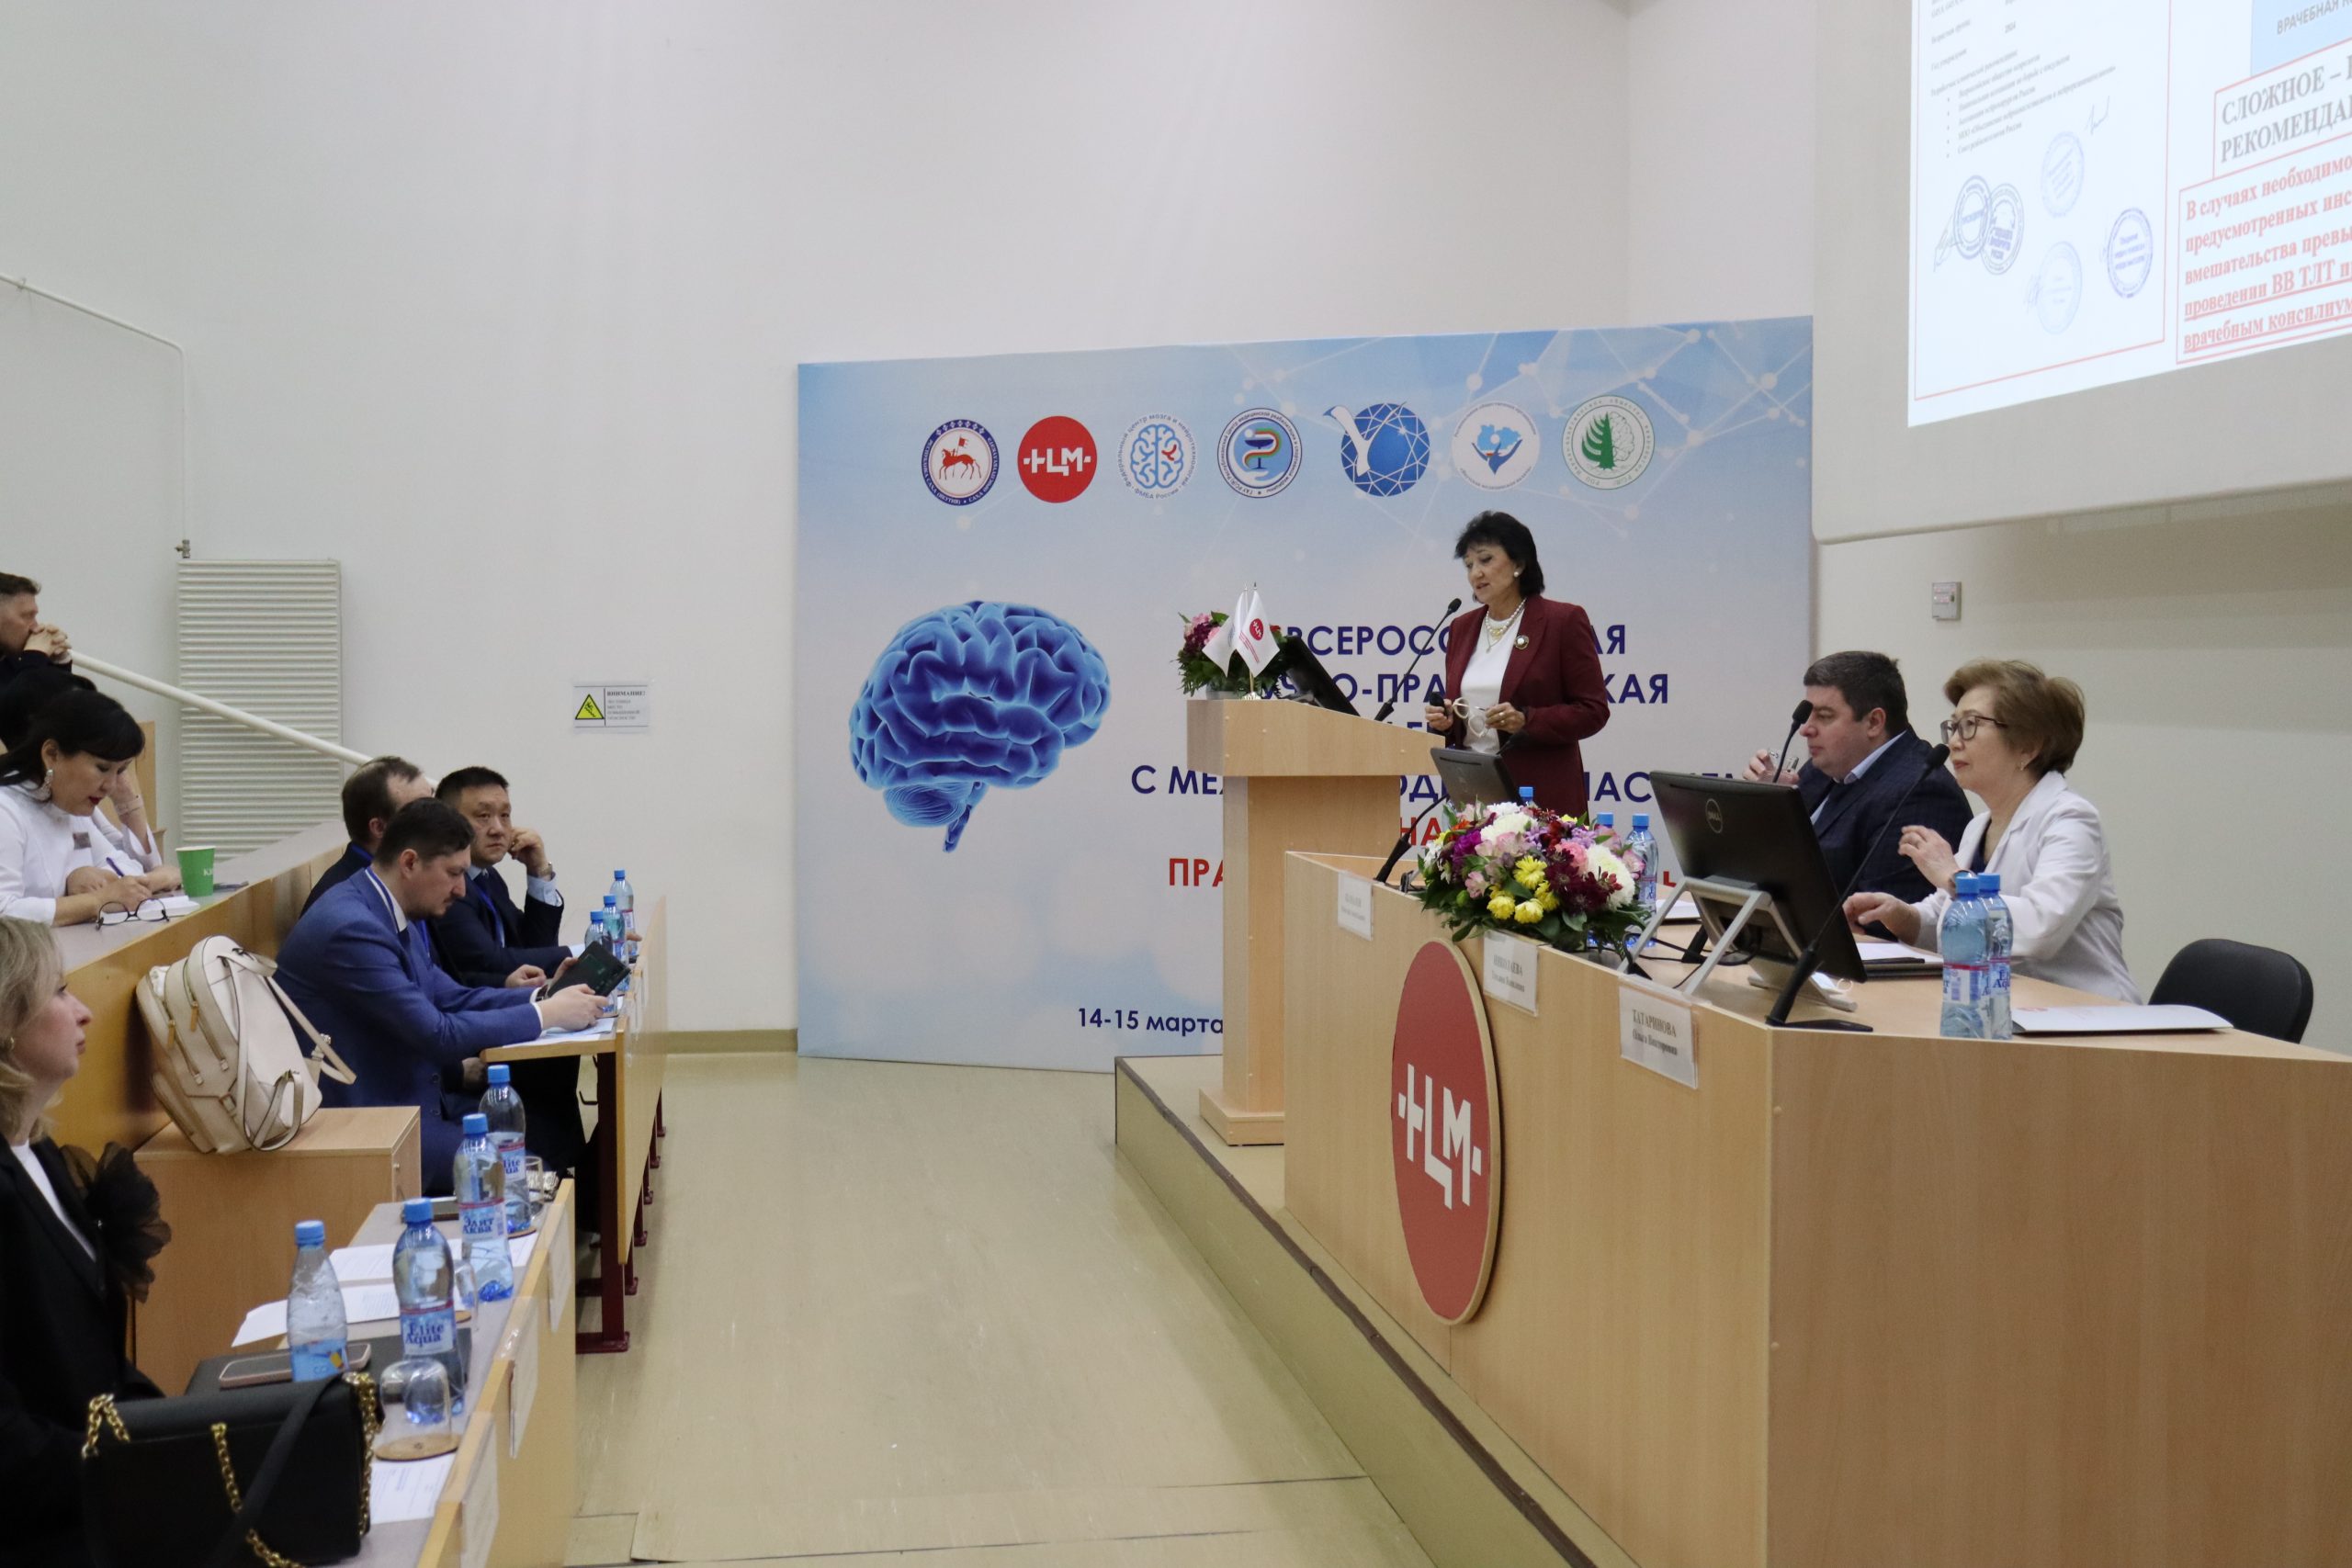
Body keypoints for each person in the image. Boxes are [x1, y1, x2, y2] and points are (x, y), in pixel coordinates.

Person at [275, 800, 605, 1190]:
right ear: (410, 863)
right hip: (371, 1125)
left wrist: (545, 996)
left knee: (546, 1136)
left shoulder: (390, 907)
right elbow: (438, 1034)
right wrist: (548, 1015)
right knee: (528, 1173)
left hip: (413, 1101)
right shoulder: (351, 927)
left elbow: (452, 996)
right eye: (454, 873)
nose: (461, 889)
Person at [0, 917, 169, 1567]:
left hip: (96, 1493)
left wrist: (186, 1428)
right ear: (6, 1020)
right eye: (60, 991)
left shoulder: (40, 1152)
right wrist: (137, 1466)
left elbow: (96, 1361)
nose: (84, 1011)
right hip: (47, 1528)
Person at [1845, 660, 2140, 1002]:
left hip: (2089, 1012)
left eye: (1970, 725)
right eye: (1953, 727)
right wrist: (1902, 916)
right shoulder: (1980, 826)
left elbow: (2041, 929)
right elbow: (1948, 919)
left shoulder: (2071, 819)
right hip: (2006, 1006)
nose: (1954, 743)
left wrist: (1954, 877)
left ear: (2029, 745)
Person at [425, 765, 593, 1202]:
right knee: (552, 1052)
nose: (498, 828)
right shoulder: (452, 887)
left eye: (505, 815)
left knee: (564, 1042)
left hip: (481, 1008)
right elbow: (491, 961)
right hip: (465, 1036)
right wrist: (581, 952)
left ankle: (574, 1187)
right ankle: (568, 1189)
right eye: (482, 816)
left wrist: (538, 871)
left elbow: (528, 947)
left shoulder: (487, 877)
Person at [1741, 650, 1972, 905]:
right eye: (1808, 714)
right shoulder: (1824, 767)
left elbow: (1875, 916)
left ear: (1874, 722)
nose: (1806, 729)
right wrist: (1774, 805)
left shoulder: (1921, 793)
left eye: (1824, 716)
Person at [1421, 512, 1611, 814]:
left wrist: (1526, 720)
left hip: (1541, 798)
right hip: (1474, 796)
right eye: (1469, 565)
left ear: (1519, 563)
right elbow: (1465, 718)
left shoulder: (1562, 621)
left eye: (1485, 560)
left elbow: (1593, 711)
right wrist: (1447, 722)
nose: (1475, 573)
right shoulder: (1461, 627)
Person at [0, 690, 178, 926]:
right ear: (52, 754)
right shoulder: (6, 809)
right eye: (103, 768)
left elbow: (122, 866)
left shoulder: (69, 805)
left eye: (120, 770)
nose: (111, 786)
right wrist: (96, 900)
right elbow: (4, 911)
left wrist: (106, 881)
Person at [299, 754, 433, 919]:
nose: (437, 818)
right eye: (421, 810)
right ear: (379, 828)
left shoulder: (404, 876)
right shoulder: (346, 905)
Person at [0, 573, 73, 696]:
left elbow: (56, 706)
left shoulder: (14, 662)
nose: (35, 627)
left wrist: (57, 665)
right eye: (27, 616)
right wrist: (34, 658)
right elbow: (16, 705)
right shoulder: (28, 663)